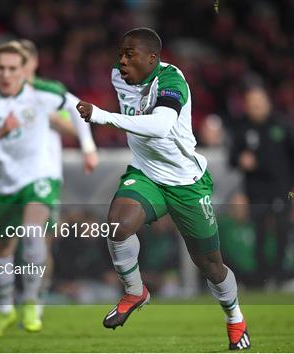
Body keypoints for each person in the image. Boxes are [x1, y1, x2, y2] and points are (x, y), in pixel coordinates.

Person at [76, 28, 250, 350]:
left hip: (186, 183)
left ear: (152, 58)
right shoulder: (119, 77)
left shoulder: (172, 81)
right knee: (117, 225)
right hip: (147, 175)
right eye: (121, 54)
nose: (122, 61)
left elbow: (160, 126)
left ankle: (234, 316)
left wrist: (102, 116)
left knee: (210, 264)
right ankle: (134, 291)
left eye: (130, 54)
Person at [0, 41, 97, 338]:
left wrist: (86, 146)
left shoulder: (47, 93)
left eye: (16, 65)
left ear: (31, 63)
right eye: (4, 67)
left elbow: (76, 121)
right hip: (3, 180)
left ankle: (34, 300)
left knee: (36, 235)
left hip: (43, 175)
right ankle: (2, 308)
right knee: (2, 248)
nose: (11, 71)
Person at [229, 85, 294, 283]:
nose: (256, 108)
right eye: (252, 105)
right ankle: (261, 279)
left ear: (267, 104)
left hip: (286, 192)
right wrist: (240, 160)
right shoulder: (242, 129)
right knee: (259, 233)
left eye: (259, 104)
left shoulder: (283, 126)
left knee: (283, 231)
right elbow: (232, 159)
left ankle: (280, 276)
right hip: (256, 194)